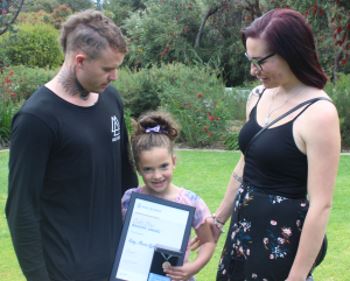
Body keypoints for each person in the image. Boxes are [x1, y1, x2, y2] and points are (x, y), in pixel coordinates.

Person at [5, 9, 138, 281]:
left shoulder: (111, 100)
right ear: (80, 60)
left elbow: (126, 178)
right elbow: (21, 211)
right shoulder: (37, 119)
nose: (114, 77)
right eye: (107, 69)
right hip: (69, 271)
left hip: (119, 265)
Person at [209, 8, 340, 281]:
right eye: (249, 59)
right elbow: (248, 161)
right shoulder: (257, 96)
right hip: (242, 232)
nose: (253, 70)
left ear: (290, 52)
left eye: (260, 62)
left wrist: (297, 276)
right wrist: (219, 219)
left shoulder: (319, 113)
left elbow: (321, 205)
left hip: (280, 242)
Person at [122, 111, 216, 281]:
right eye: (148, 169)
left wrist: (193, 267)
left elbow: (208, 242)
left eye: (163, 166)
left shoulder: (190, 201)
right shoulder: (129, 200)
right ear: (138, 169)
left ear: (173, 162)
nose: (157, 175)